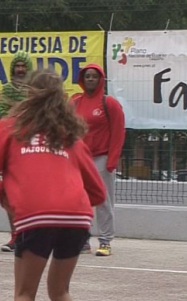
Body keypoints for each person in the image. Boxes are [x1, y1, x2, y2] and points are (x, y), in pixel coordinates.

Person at [0, 69, 106, 301]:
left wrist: (4, 196)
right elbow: (98, 192)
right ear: (61, 97)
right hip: (77, 218)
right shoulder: (69, 135)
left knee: (24, 294)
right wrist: (71, 203)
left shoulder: (10, 127)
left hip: (35, 216)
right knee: (60, 291)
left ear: (27, 95)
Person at [71, 63, 126, 257]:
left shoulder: (109, 103)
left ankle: (105, 241)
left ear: (101, 79)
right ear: (82, 80)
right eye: (87, 77)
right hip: (80, 160)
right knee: (79, 200)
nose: (91, 79)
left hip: (102, 159)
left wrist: (112, 160)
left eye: (94, 76)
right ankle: (83, 240)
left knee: (103, 200)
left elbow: (118, 132)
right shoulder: (75, 102)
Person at [0, 50, 33, 252]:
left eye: (23, 66)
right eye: (17, 66)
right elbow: (2, 113)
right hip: (11, 147)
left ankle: (30, 235)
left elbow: (37, 115)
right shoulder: (7, 89)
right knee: (9, 194)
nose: (20, 70)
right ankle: (15, 236)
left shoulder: (36, 90)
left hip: (33, 148)